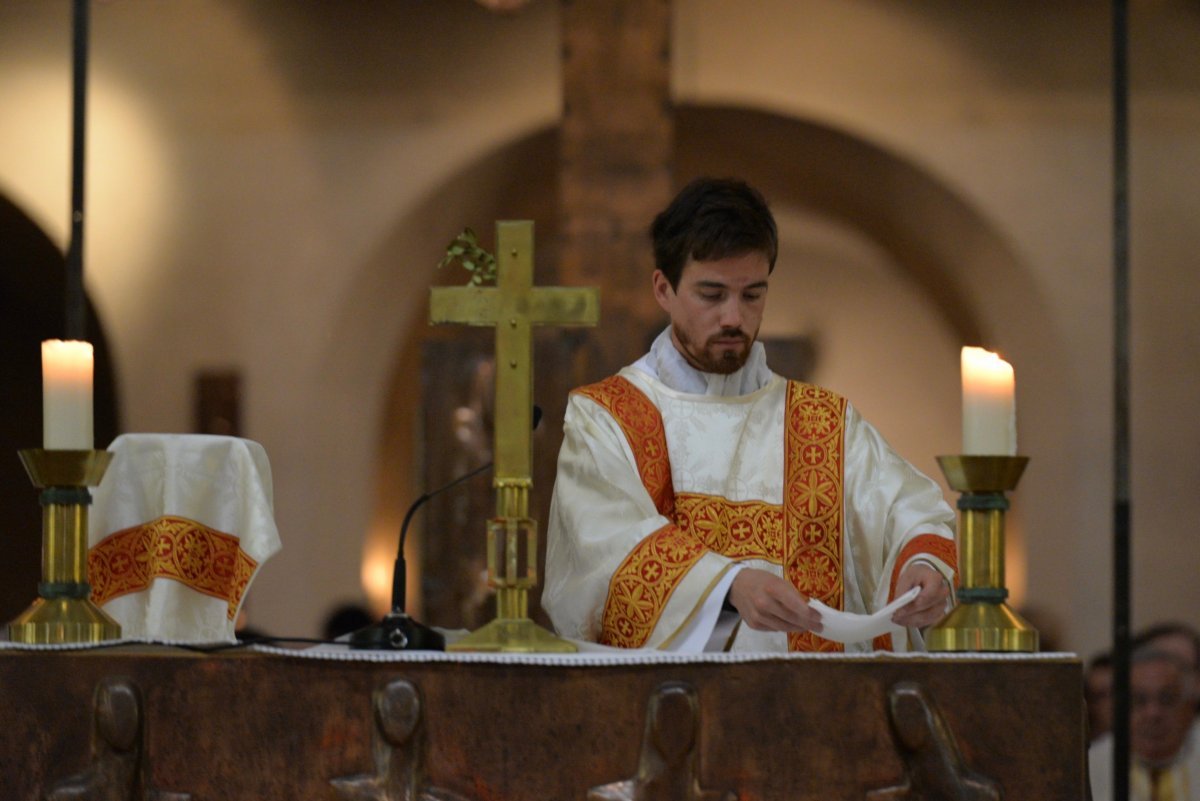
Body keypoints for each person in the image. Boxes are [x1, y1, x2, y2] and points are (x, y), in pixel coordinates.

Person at [541, 177, 957, 653]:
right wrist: (728, 586)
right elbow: (604, 550)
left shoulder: (821, 423)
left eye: (752, 295)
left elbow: (907, 509)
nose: (734, 318)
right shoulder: (609, 418)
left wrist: (921, 563)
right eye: (712, 295)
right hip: (671, 710)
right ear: (663, 289)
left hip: (816, 707)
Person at [1089, 647, 1200, 800]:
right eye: (1139, 700)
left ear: (1190, 706)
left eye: (1166, 699)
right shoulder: (1091, 766)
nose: (1153, 713)